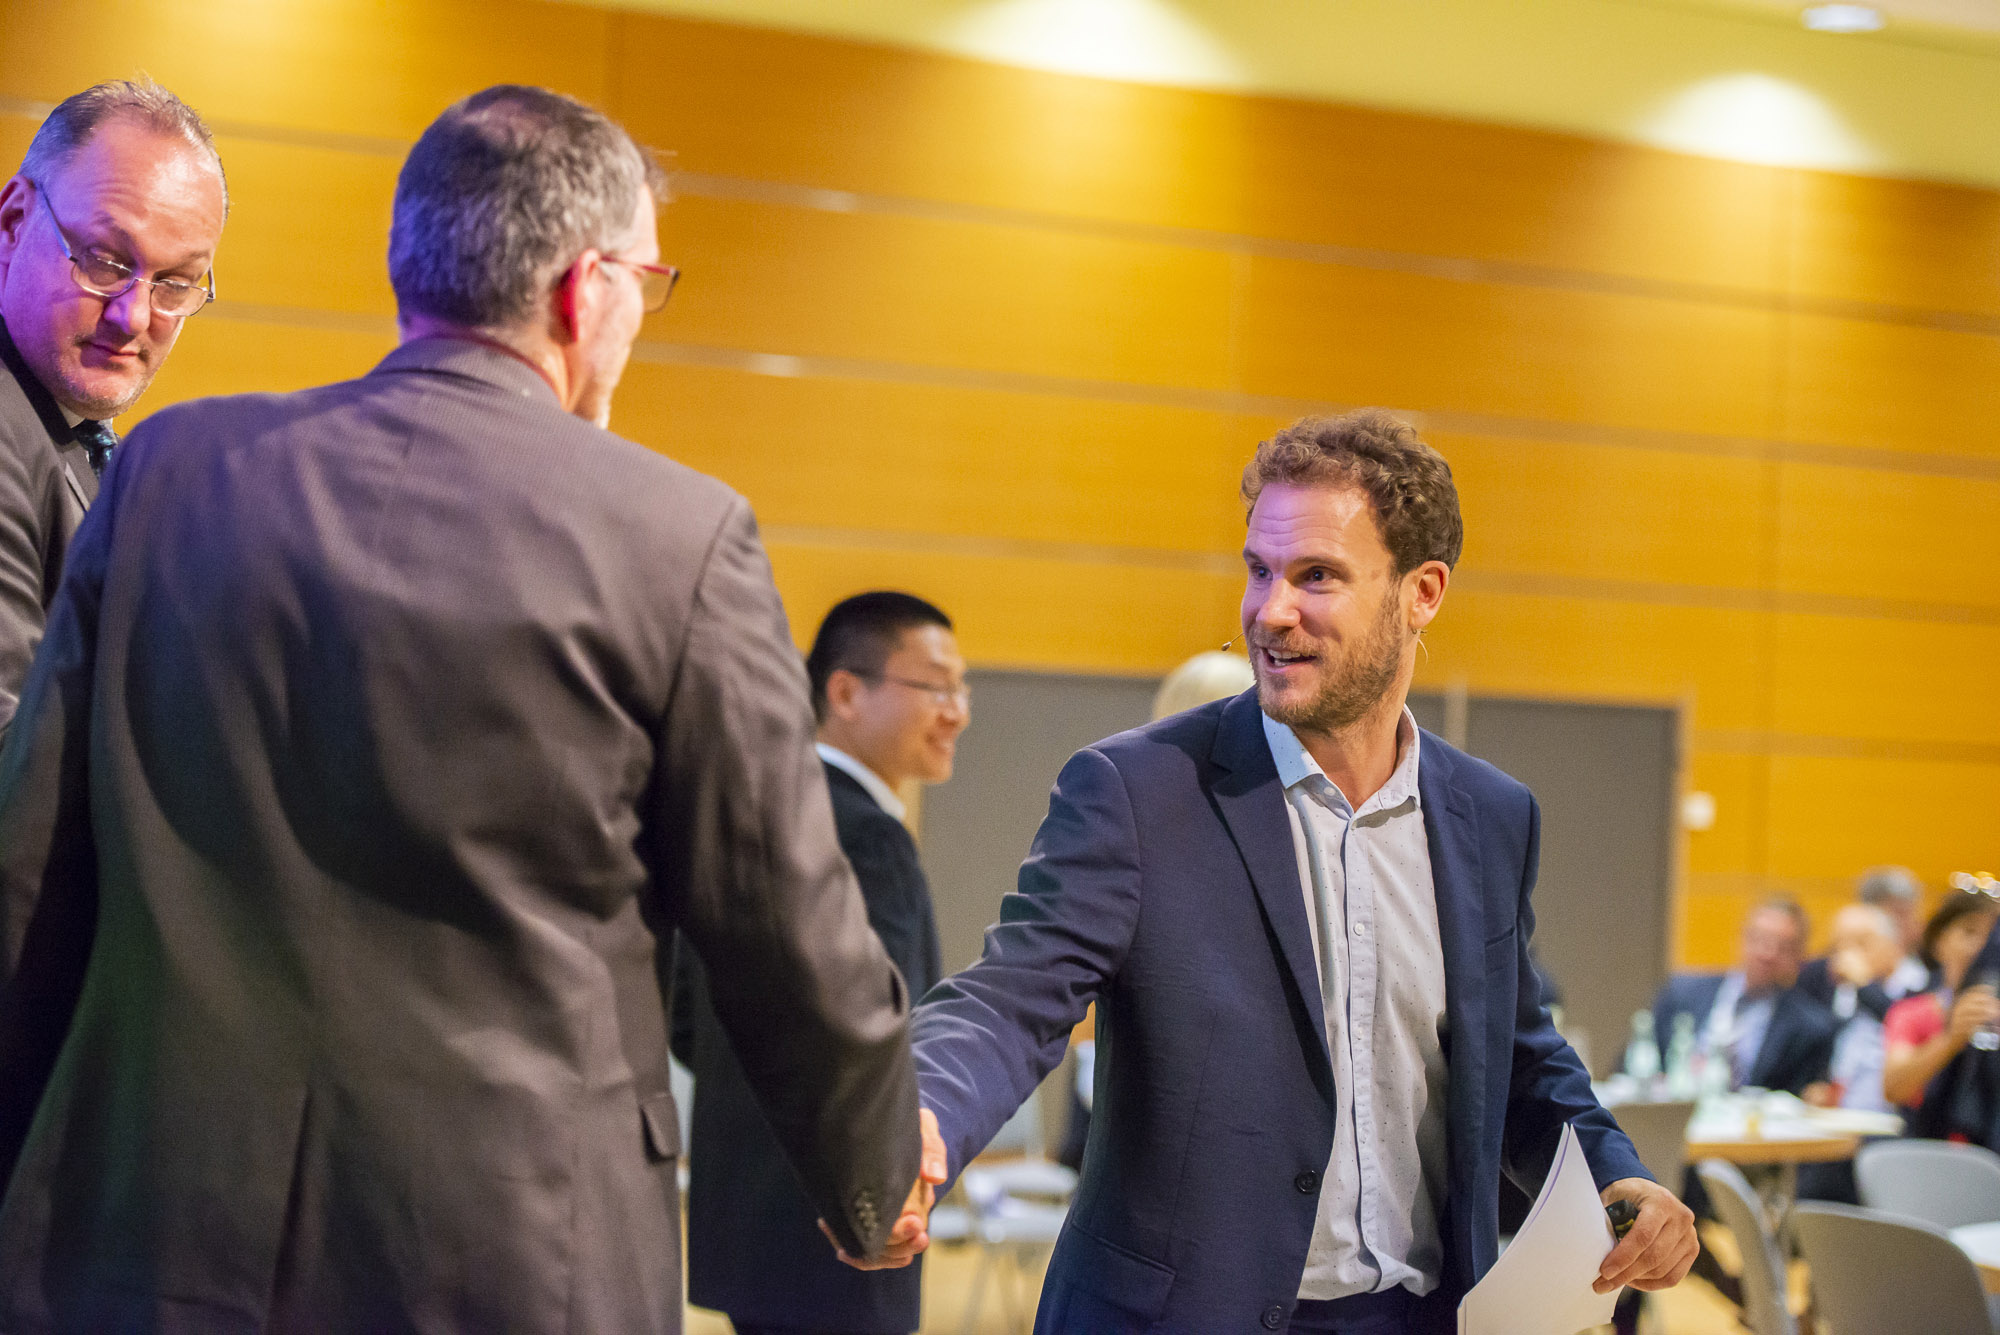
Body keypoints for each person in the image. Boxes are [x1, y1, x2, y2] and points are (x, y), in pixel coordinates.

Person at [0, 85, 934, 1333]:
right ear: (585, 291)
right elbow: (782, 923)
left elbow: (33, 870)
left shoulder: (171, 474)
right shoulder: (676, 538)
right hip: (510, 1265)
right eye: (646, 288)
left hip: (157, 1243)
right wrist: (872, 1180)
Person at [871, 411, 1696, 1334]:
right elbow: (1008, 996)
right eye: (1259, 570)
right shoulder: (1138, 792)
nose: (1270, 611)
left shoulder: (1491, 817)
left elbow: (1516, 1055)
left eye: (1316, 576)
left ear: (1422, 592)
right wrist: (920, 1111)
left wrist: (1617, 1172)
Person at [677, 591, 968, 1335]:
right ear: (844, 692)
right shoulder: (868, 838)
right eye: (937, 687)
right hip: (842, 1226)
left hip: (744, 1221)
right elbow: (884, 1042)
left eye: (962, 689)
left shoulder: (744, 812)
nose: (958, 712)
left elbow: (683, 1012)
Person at [0, 78, 226, 740]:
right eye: (104, 262)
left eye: (175, 284)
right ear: (12, 224)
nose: (135, 317)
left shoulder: (74, 432)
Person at [1649, 897, 1837, 1096]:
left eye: (1782, 946)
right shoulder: (1682, 992)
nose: (1767, 953)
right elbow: (1642, 1063)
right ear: (1742, 938)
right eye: (1760, 939)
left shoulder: (1811, 1027)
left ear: (1799, 956)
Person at [1881, 891, 2000, 1121]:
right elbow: (1893, 1089)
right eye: (1970, 931)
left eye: (1993, 935)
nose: (1982, 945)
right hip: (1929, 1138)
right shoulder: (1911, 1013)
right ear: (1939, 941)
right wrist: (1951, 1039)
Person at [1797, 866, 1931, 1022]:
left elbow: (1906, 1024)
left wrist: (1863, 984)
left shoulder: (1926, 975)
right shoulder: (1818, 974)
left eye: (1861, 943)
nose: (1848, 952)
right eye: (1840, 943)